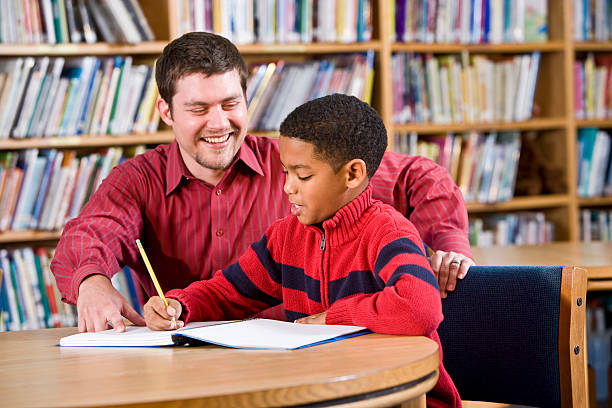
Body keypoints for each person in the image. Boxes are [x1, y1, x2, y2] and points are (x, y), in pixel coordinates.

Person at [50, 32, 474, 333]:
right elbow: (90, 233)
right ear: (166, 111)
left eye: (231, 103)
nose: (219, 124)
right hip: (188, 363)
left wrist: (448, 247)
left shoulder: (297, 158)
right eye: (199, 108)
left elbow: (422, 178)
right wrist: (94, 284)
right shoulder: (139, 179)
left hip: (298, 360)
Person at [144, 94, 461, 408]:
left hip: (399, 398)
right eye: (285, 173)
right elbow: (225, 294)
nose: (288, 188)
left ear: (352, 174)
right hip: (322, 395)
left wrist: (333, 319)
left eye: (303, 175)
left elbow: (419, 307)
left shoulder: (388, 233)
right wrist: (179, 304)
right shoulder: (285, 237)